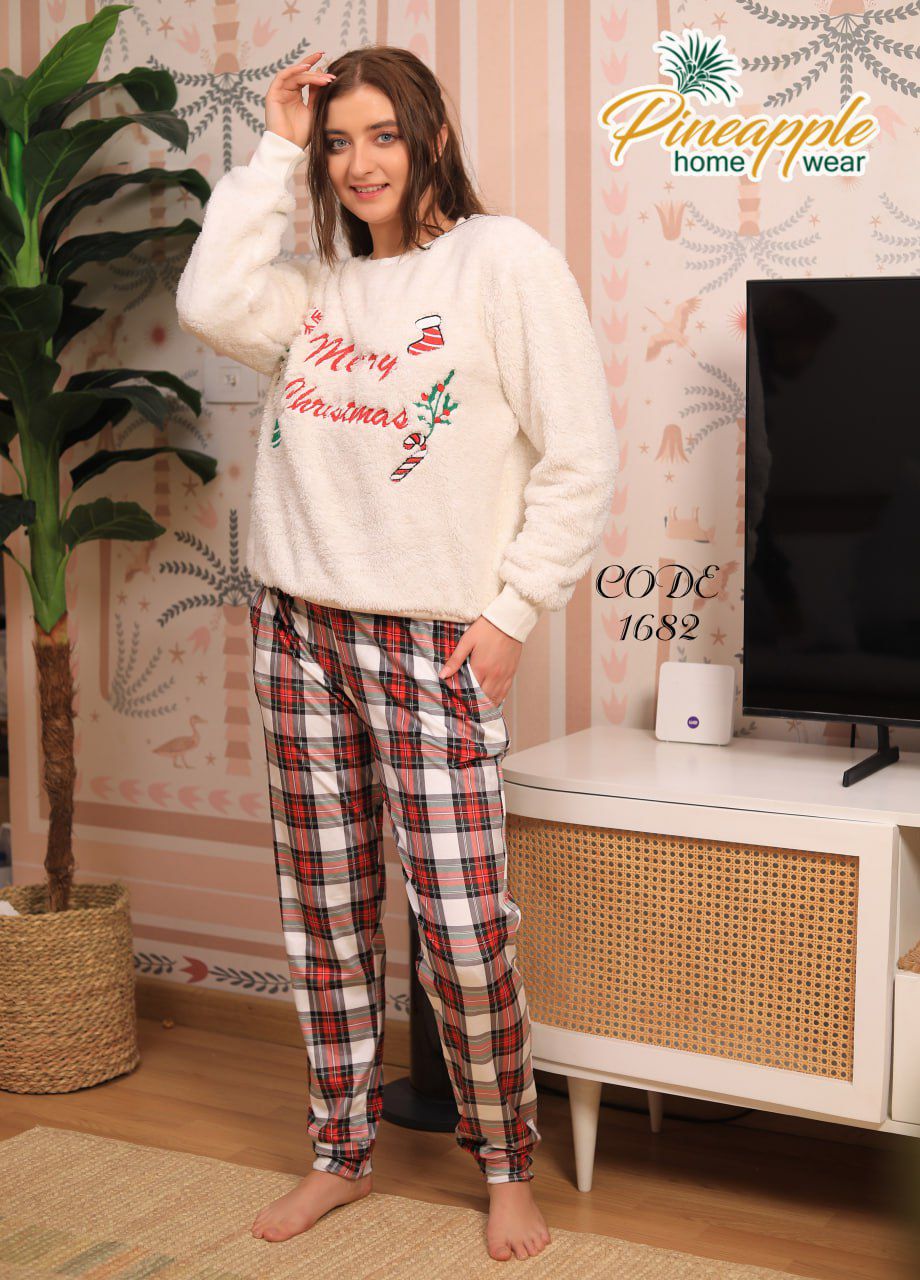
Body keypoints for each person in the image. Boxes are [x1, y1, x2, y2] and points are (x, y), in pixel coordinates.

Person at [175, 43, 618, 1264]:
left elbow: (580, 452)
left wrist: (514, 610)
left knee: (465, 930)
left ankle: (504, 1161)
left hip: (435, 643)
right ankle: (340, 1150)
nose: (359, 162)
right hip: (297, 629)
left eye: (381, 135)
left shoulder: (500, 260)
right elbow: (209, 300)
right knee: (326, 915)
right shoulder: (311, 285)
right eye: (336, 142)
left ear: (427, 136)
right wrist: (271, 142)